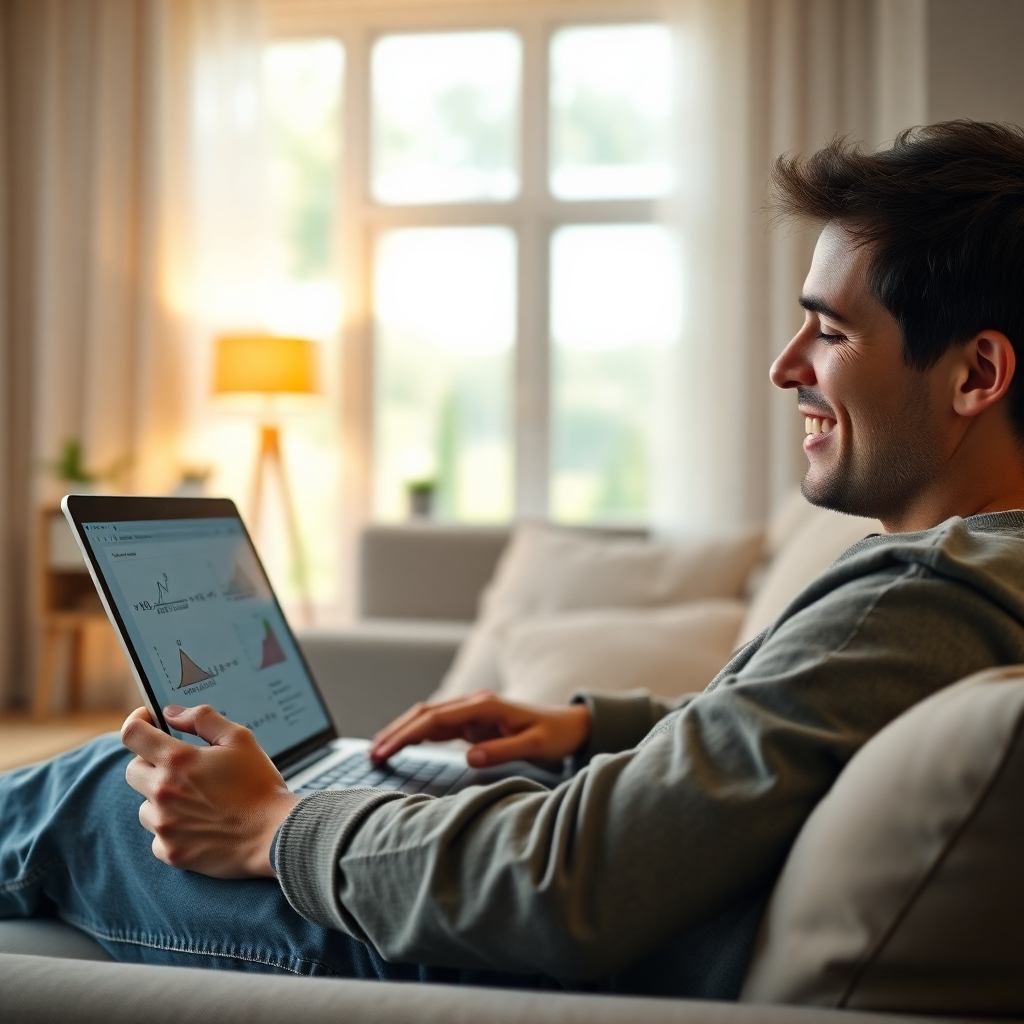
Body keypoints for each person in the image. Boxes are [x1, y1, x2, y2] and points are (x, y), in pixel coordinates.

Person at [6, 119, 1024, 999]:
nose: (784, 364)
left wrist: (273, 824)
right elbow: (792, 739)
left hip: (522, 948)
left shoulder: (924, 596)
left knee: (102, 786)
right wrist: (589, 729)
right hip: (600, 886)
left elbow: (566, 884)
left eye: (831, 331)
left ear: (975, 373)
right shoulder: (966, 585)